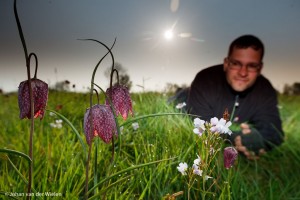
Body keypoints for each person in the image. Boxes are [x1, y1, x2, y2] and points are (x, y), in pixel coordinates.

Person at [186, 35, 284, 160]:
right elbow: (198, 123)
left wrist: (256, 140)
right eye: (236, 64)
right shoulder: (205, 79)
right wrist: (234, 138)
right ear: (226, 63)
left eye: (252, 66)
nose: (243, 73)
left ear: (260, 68)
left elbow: (274, 132)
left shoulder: (265, 89)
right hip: (185, 98)